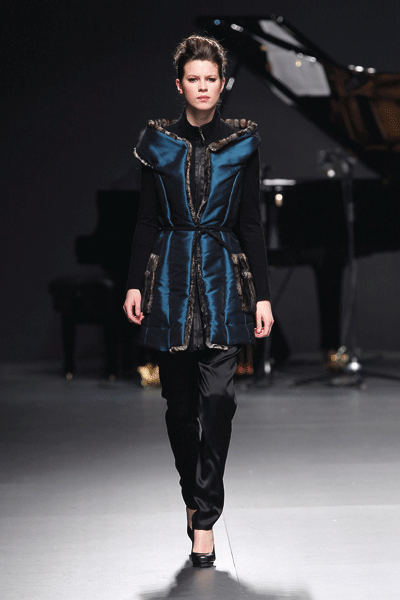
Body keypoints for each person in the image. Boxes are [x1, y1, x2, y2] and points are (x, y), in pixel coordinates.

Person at [123, 35, 273, 567]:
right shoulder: (158, 143)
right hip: (169, 280)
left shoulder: (242, 143)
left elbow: (251, 223)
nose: (203, 87)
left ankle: (205, 518)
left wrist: (262, 296)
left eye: (211, 79)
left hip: (224, 279)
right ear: (180, 84)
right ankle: (193, 495)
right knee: (181, 407)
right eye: (194, 79)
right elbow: (146, 219)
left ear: (222, 84)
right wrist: (135, 283)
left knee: (220, 400)